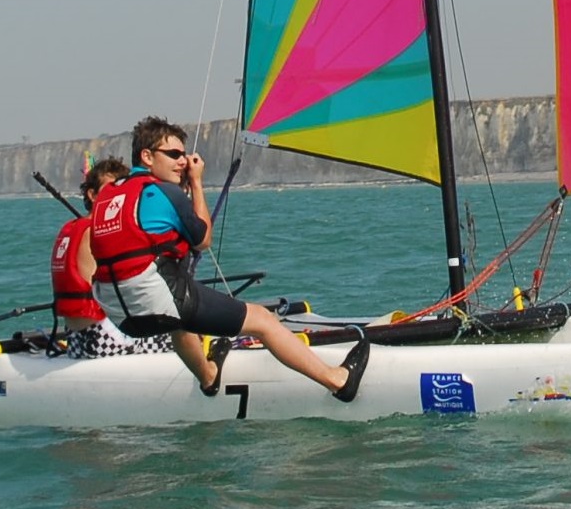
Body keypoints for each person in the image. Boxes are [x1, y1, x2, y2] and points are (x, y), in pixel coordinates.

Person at [74, 116, 369, 401]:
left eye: (184, 156)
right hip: (159, 301)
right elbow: (202, 241)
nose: (183, 162)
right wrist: (197, 184)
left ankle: (208, 376)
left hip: (122, 316)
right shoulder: (163, 192)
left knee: (179, 322)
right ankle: (337, 380)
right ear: (147, 157)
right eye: (174, 154)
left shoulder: (108, 196)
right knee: (263, 320)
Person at [48, 159, 126, 335]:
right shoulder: (99, 232)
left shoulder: (71, 229)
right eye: (111, 189)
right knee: (181, 332)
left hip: (75, 337)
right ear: (92, 195)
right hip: (101, 336)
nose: (118, 196)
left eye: (121, 190)